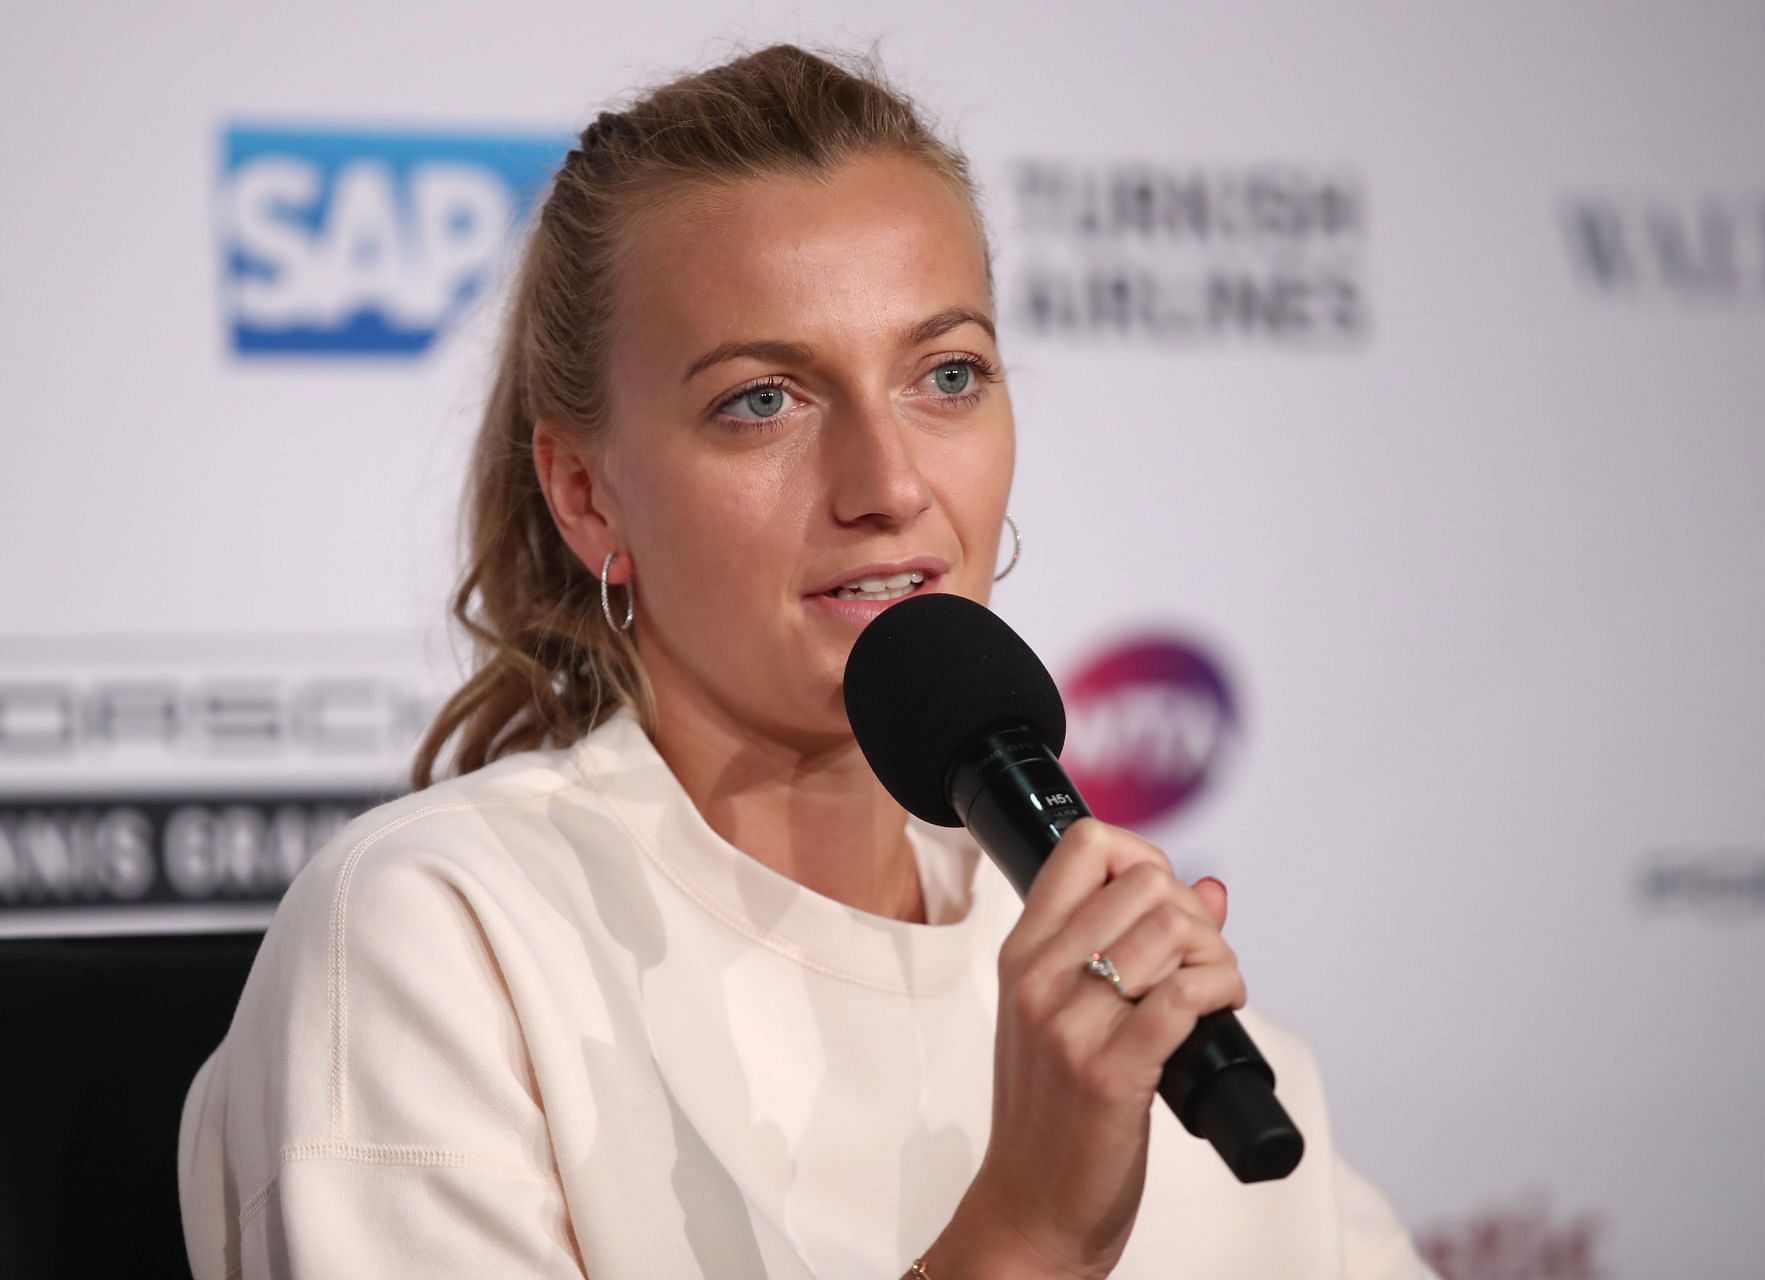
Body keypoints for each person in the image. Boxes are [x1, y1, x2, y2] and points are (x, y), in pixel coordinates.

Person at [177, 42, 1433, 1279]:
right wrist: (1026, 1241)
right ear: (586, 494)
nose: (889, 486)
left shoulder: (1115, 970)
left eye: (948, 375)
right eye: (763, 399)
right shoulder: (443, 932)